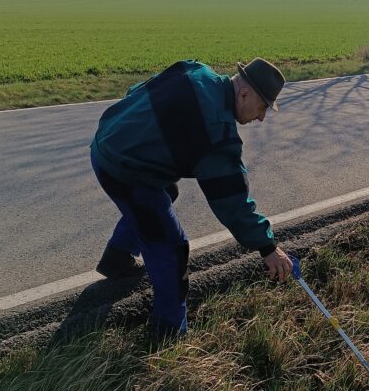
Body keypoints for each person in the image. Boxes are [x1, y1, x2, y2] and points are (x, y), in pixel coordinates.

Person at [90, 58, 294, 341]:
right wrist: (267, 246)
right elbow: (232, 200)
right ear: (245, 95)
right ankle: (169, 332)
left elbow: (137, 90)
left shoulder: (197, 70)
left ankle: (118, 257)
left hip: (106, 140)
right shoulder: (217, 130)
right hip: (125, 170)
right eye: (262, 108)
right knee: (171, 249)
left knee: (164, 195)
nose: (261, 118)